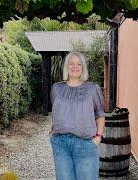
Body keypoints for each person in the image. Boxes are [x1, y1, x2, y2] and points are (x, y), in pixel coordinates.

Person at [49, 51, 106, 180]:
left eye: (79, 64)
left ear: (83, 68)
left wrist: (98, 137)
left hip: (85, 144)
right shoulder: (56, 88)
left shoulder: (92, 89)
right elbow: (56, 110)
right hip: (60, 144)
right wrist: (51, 132)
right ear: (66, 67)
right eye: (71, 63)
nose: (75, 67)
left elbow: (100, 115)